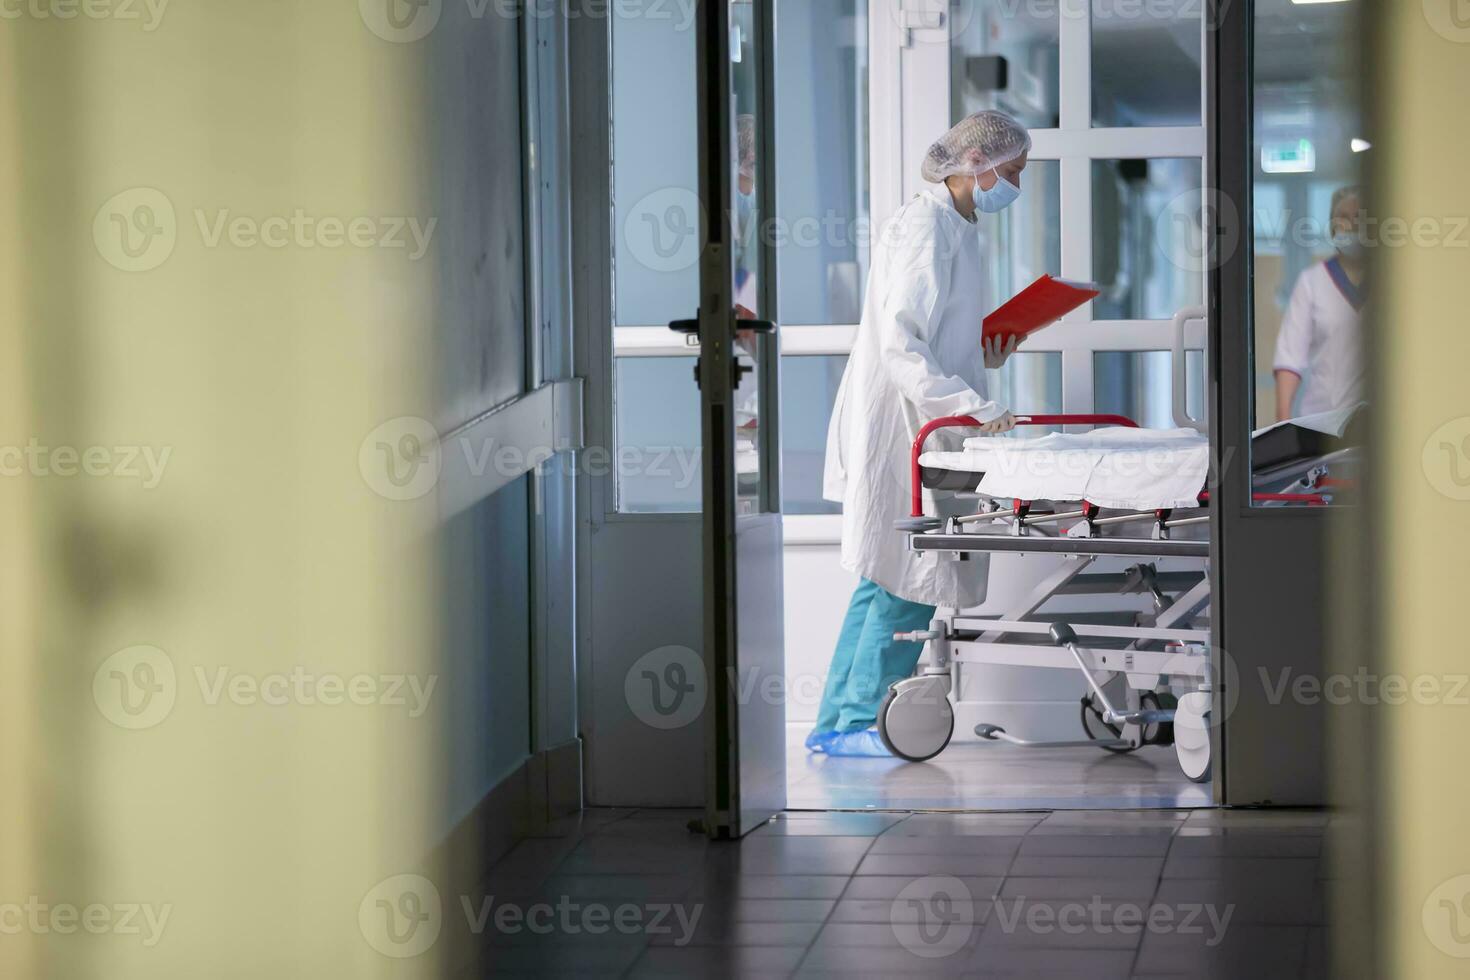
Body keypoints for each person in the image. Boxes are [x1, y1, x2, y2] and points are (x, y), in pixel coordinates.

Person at [809, 110, 1029, 757]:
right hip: (906, 421)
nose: (1014, 184)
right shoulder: (926, 225)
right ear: (975, 164)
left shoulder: (961, 227)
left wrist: (987, 350)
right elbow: (900, 343)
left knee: (885, 574)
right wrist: (971, 405)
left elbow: (939, 335)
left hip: (930, 415)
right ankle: (858, 723)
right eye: (1011, 171)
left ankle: (839, 722)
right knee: (910, 573)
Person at [1273, 185, 1368, 421]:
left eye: (1360, 217)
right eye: (1344, 217)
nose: (1352, 224)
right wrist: (1283, 422)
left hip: (1378, 425)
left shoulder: (1392, 283)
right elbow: (1290, 356)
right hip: (1321, 421)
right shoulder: (1312, 281)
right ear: (1332, 225)